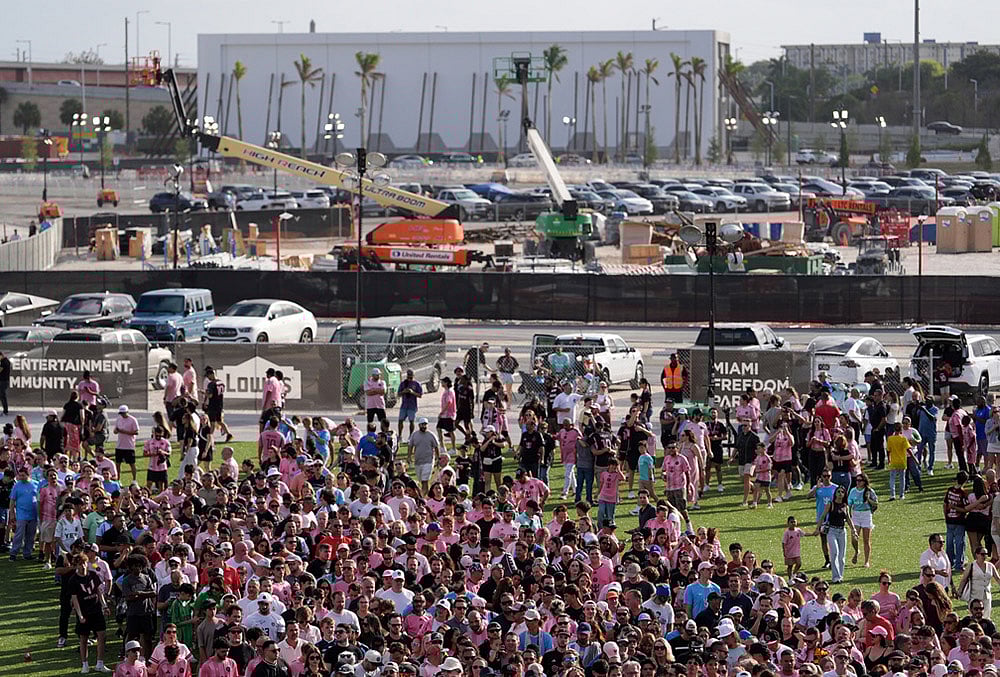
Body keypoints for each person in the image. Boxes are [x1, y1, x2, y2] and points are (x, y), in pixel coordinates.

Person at [68, 551, 112, 673]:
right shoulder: (73, 580)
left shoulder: (93, 575)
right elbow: (75, 599)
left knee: (102, 635)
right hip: (84, 612)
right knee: (83, 638)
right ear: (75, 565)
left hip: (96, 610)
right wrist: (80, 615)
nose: (82, 566)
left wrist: (104, 606)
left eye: (84, 563)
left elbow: (99, 592)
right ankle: (85, 664)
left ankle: (100, 663)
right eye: (79, 564)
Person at [956, 546, 1000, 616]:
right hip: (974, 595)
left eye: (986, 554)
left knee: (986, 615)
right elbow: (964, 579)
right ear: (977, 554)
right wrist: (960, 591)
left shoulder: (990, 566)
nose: (984, 556)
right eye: (982, 554)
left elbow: (997, 578)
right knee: (974, 616)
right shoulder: (972, 565)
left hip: (987, 596)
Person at [8, 465, 38, 561]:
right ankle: (13, 553)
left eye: (23, 475)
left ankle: (27, 553)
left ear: (28, 475)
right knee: (19, 534)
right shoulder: (17, 485)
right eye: (20, 475)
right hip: (21, 514)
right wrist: (12, 513)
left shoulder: (35, 484)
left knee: (31, 535)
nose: (21, 478)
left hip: (33, 514)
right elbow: (12, 500)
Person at [847, 473, 877, 568]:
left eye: (860, 480)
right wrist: (849, 515)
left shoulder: (869, 491)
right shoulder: (853, 491)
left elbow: (876, 504)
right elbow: (849, 503)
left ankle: (866, 561)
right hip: (856, 514)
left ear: (864, 482)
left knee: (866, 540)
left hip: (866, 514)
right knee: (854, 537)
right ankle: (856, 551)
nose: (858, 482)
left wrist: (868, 499)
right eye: (857, 480)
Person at [114, 405, 140, 484]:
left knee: (132, 463)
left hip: (129, 445)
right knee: (118, 463)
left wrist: (124, 432)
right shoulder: (118, 419)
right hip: (120, 445)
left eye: (124, 413)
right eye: (121, 413)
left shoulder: (133, 420)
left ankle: (134, 479)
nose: (122, 415)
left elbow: (136, 432)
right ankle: (118, 479)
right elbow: (115, 431)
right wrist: (117, 431)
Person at [397, 369, 423, 441]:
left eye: (411, 377)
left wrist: (412, 392)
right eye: (408, 377)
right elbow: (398, 394)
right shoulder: (403, 383)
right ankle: (400, 436)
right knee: (400, 420)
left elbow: (420, 395)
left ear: (413, 376)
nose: (409, 379)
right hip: (404, 405)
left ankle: (410, 436)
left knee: (411, 421)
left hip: (412, 405)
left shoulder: (417, 384)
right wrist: (403, 392)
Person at [0, 349, 10, 415]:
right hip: (3, 381)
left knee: (2, 396)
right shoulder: (4, 361)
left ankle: (5, 411)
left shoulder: (4, 362)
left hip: (3, 381)